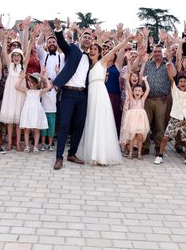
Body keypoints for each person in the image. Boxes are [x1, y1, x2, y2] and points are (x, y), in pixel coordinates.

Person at [76, 37, 132, 166]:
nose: (92, 51)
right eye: (91, 49)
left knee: (100, 122)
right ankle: (92, 154)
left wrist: (126, 39)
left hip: (100, 93)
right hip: (91, 94)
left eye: (95, 49)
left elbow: (115, 49)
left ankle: (101, 155)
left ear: (100, 52)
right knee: (91, 121)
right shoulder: (87, 65)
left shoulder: (102, 61)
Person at [50, 18, 92, 170]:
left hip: (82, 95)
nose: (87, 39)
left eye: (89, 38)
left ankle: (72, 153)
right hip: (68, 93)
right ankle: (59, 157)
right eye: (85, 37)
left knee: (79, 125)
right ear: (80, 39)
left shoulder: (90, 58)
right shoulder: (73, 49)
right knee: (65, 125)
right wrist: (58, 29)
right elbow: (61, 43)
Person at [155, 40, 186, 166]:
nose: (182, 83)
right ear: (178, 83)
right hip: (175, 117)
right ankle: (160, 155)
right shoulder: (175, 90)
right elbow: (171, 79)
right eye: (180, 82)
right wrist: (169, 66)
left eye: (184, 82)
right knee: (166, 137)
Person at [0, 41, 27, 152]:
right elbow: (4, 53)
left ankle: (18, 143)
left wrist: (32, 38)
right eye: (14, 55)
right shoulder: (10, 66)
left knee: (18, 121)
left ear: (21, 57)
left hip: (19, 95)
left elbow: (28, 52)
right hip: (10, 96)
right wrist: (5, 38)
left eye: (18, 55)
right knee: (10, 120)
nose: (16, 57)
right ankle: (10, 143)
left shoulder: (23, 67)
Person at [17, 72, 51, 152]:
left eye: (32, 82)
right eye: (29, 81)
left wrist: (45, 78)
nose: (30, 83)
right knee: (26, 129)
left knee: (36, 129)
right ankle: (27, 146)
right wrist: (21, 78)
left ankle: (35, 146)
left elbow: (49, 87)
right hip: (28, 110)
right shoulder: (26, 90)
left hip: (36, 111)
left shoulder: (39, 92)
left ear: (37, 83)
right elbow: (16, 86)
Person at [122, 76, 151, 159]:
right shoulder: (131, 99)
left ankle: (139, 153)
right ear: (133, 92)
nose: (137, 92)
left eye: (139, 91)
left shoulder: (143, 99)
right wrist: (127, 79)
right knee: (132, 136)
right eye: (135, 90)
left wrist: (145, 80)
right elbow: (128, 88)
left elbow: (148, 89)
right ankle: (130, 152)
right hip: (132, 119)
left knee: (140, 136)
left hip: (140, 120)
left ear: (142, 93)